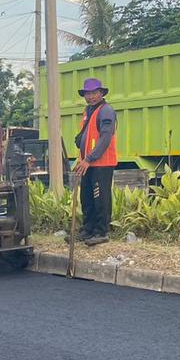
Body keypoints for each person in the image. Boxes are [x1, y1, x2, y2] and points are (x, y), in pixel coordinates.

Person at [73, 78, 118, 246]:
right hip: (87, 163)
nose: (90, 96)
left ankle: (101, 231)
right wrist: (82, 159)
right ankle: (88, 230)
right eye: (87, 93)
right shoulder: (88, 112)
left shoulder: (106, 111)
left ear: (101, 93)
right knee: (87, 197)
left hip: (101, 163)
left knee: (100, 198)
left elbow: (105, 138)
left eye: (93, 93)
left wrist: (89, 158)